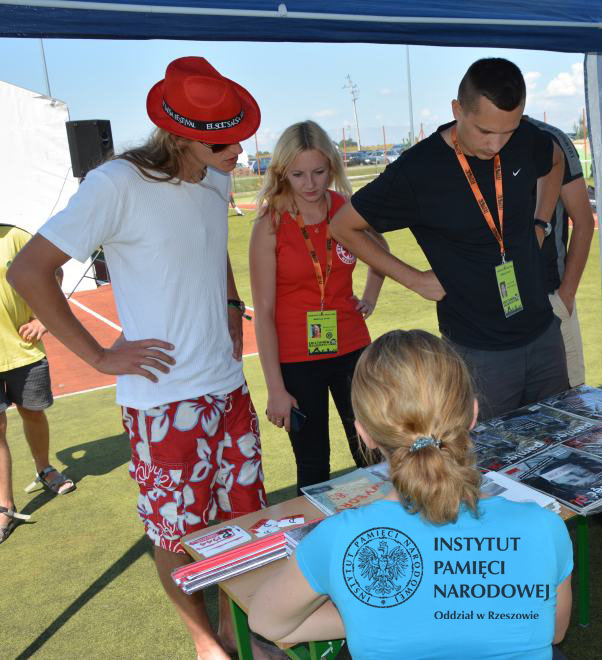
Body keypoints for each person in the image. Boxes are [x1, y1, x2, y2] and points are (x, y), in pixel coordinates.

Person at [7, 57, 269, 659]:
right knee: (176, 535)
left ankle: (236, 632)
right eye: (225, 141)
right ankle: (206, 643)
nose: (239, 150)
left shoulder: (215, 177)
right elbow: (29, 270)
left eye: (240, 136)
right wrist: (99, 356)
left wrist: (231, 304)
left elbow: (211, 249)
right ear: (181, 136)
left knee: (243, 524)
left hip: (228, 388)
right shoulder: (116, 184)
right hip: (161, 402)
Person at [248, 329, 573, 659]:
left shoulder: (340, 540)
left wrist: (369, 618)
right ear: (472, 414)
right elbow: (555, 630)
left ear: (364, 433)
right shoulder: (544, 527)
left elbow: (268, 624)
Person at [330, 58, 568, 422]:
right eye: (485, 131)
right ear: (457, 110)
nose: (496, 144)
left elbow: (555, 161)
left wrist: (540, 224)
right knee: (485, 454)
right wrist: (414, 279)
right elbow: (343, 226)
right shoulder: (418, 170)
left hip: (543, 334)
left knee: (560, 441)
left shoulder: (524, 139)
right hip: (478, 352)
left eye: (508, 131)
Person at [250, 120, 386, 492]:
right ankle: (316, 532)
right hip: (297, 360)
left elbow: (381, 252)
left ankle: (387, 523)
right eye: (298, 174)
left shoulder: (345, 209)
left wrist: (369, 297)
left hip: (353, 350)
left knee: (374, 453)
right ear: (282, 173)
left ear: (332, 167)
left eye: (319, 172)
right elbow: (263, 314)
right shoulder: (270, 223)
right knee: (313, 465)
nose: (310, 184)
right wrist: (275, 389)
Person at [1, 224, 75, 544]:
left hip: (23, 350)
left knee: (32, 412)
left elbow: (54, 270)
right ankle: (5, 505)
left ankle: (44, 469)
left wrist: (43, 319)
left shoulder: (14, 236)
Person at [525, 117, 594, 387]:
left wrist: (565, 296)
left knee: (569, 400)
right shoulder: (470, 142)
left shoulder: (550, 140)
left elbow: (584, 221)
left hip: (551, 299)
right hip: (500, 306)